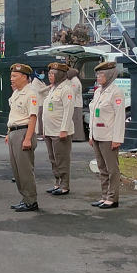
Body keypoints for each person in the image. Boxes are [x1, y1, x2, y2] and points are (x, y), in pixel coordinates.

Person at [88, 61, 126, 209]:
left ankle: (113, 197)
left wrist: (117, 139)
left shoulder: (116, 92)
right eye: (97, 74)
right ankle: (104, 196)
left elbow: (119, 118)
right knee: (102, 168)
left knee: (112, 169)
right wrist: (91, 135)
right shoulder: (99, 91)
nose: (98, 77)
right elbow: (93, 115)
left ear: (110, 74)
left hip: (109, 136)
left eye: (101, 74)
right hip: (97, 135)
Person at [6, 63, 40, 212]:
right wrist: (9, 133)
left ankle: (31, 200)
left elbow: (33, 118)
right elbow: (14, 116)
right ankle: (25, 198)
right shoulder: (16, 94)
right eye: (11, 76)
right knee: (17, 170)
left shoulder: (30, 94)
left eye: (15, 76)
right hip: (14, 132)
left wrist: (28, 138)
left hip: (24, 132)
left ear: (25, 77)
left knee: (25, 169)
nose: (11, 79)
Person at [42, 62, 75, 196]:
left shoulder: (66, 90)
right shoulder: (53, 89)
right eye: (49, 73)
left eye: (53, 74)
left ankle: (65, 185)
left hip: (60, 131)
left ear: (60, 75)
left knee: (62, 158)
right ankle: (57, 183)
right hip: (50, 130)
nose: (50, 76)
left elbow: (68, 111)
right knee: (53, 158)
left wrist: (64, 130)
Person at [67, 68, 86, 142]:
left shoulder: (75, 81)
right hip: (74, 104)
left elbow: (72, 91)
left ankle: (78, 137)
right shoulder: (72, 80)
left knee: (77, 121)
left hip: (76, 104)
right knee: (74, 121)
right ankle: (75, 136)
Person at [31, 71, 50, 140]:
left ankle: (42, 132)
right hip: (39, 102)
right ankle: (39, 132)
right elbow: (39, 91)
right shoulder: (35, 82)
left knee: (42, 117)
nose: (43, 74)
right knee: (39, 117)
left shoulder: (41, 81)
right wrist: (49, 87)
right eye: (41, 73)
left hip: (44, 101)